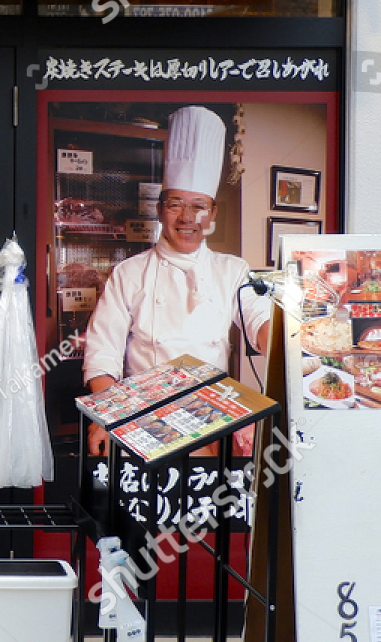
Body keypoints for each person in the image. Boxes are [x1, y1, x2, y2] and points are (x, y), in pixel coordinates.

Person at [83, 105, 269, 457]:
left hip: (211, 421)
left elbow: (260, 322)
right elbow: (102, 351)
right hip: (141, 419)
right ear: (159, 208)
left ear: (212, 214)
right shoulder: (129, 273)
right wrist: (106, 416)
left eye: (199, 206)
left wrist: (294, 338)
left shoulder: (232, 270)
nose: (188, 217)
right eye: (176, 204)